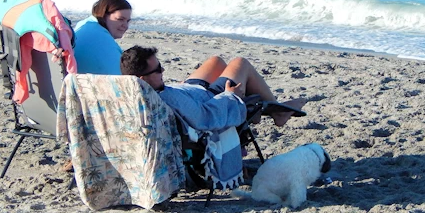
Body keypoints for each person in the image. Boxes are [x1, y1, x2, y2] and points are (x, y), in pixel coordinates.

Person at [119, 46, 307, 131]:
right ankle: (278, 112)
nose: (163, 70)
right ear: (143, 79)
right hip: (211, 96)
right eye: (158, 70)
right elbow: (205, 118)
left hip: (188, 90)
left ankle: (258, 109)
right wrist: (229, 96)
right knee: (241, 63)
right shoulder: (167, 101)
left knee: (215, 61)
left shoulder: (134, 92)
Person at [73, 0, 132, 74]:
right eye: (120, 19)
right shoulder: (101, 38)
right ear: (104, 15)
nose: (125, 26)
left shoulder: (83, 25)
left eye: (128, 21)